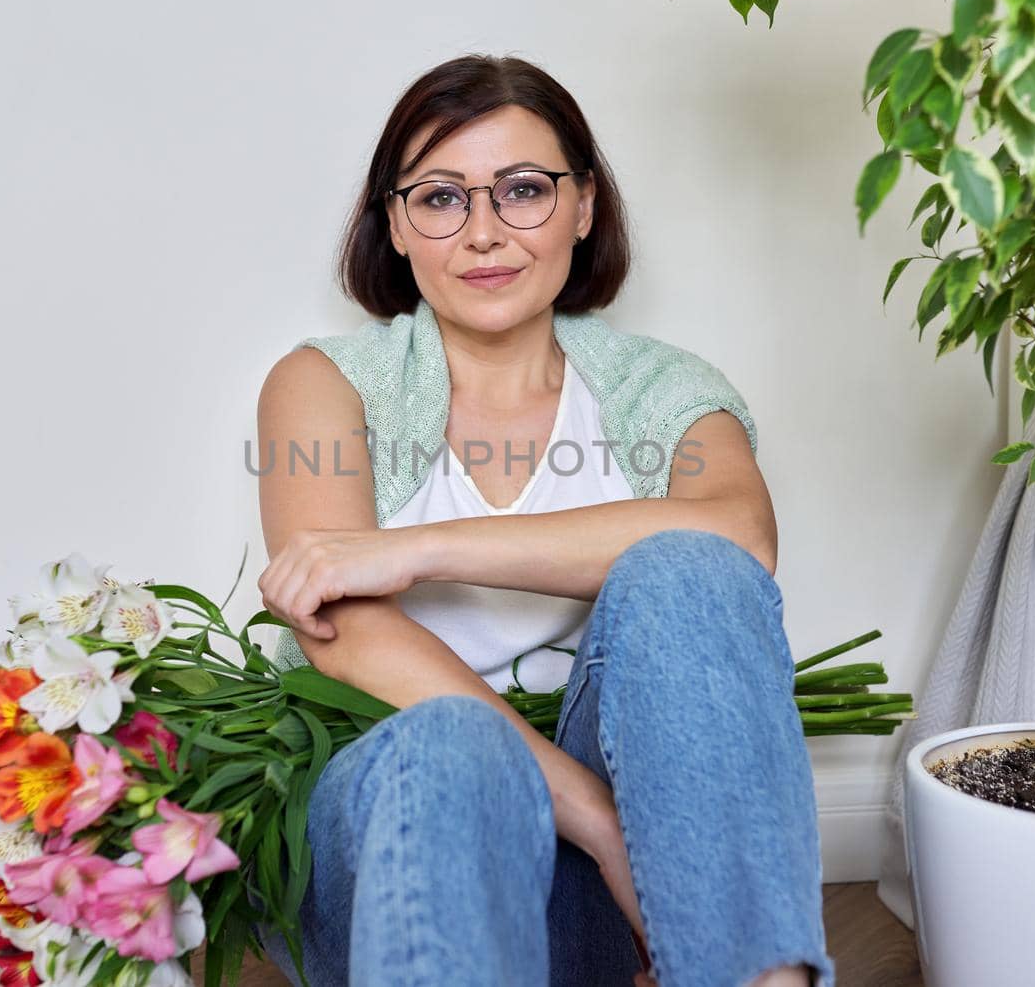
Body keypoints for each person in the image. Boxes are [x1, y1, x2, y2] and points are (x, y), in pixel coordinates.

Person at [252, 53, 833, 987]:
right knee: (451, 746)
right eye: (441, 198)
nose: (484, 232)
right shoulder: (324, 385)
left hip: (622, 897)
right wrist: (602, 821)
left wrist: (413, 549)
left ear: (585, 206)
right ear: (397, 223)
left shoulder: (661, 388)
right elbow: (342, 626)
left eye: (523, 189)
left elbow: (740, 540)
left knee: (689, 569)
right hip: (398, 865)